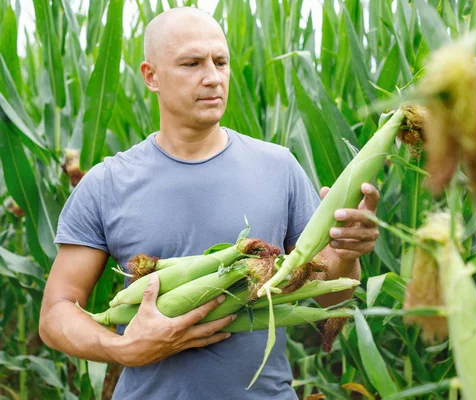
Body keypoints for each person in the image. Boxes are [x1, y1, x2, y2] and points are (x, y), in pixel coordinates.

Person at [39, 7, 380, 399]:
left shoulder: (279, 167)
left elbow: (327, 295)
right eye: (192, 63)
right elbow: (55, 313)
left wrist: (346, 254)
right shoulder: (107, 183)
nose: (213, 78)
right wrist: (124, 349)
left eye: (221, 61)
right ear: (151, 76)